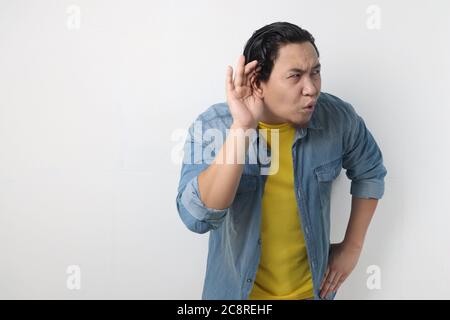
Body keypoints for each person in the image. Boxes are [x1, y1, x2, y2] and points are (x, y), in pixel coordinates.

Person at [176, 21, 387, 300]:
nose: (311, 88)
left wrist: (353, 247)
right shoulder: (213, 125)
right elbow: (197, 217)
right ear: (257, 83)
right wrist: (242, 127)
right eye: (295, 76)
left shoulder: (338, 119)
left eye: (316, 72)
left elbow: (370, 172)